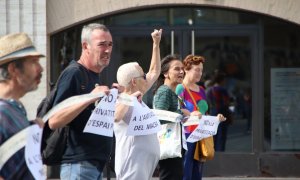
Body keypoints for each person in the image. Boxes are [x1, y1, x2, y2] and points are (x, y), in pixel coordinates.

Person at [47, 23, 115, 180]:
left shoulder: (93, 75)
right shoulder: (74, 74)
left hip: (93, 166)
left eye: (110, 44)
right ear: (86, 46)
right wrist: (90, 97)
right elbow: (54, 120)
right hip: (79, 167)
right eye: (102, 45)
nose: (107, 50)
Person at [114, 29, 162, 180]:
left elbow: (154, 71)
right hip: (132, 166)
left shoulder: (138, 94)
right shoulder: (123, 99)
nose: (146, 77)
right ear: (134, 81)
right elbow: (115, 117)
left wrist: (156, 44)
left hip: (144, 165)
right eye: (143, 76)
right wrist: (131, 98)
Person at [0, 33, 44, 179]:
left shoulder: (14, 108)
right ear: (13, 69)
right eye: (33, 62)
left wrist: (30, 128)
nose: (40, 69)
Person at [175, 55, 226, 180]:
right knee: (186, 171)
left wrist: (216, 119)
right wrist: (190, 114)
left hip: (201, 135)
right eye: (197, 70)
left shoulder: (202, 89)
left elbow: (204, 113)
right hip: (187, 136)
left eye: (201, 70)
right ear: (186, 70)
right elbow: (177, 110)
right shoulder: (180, 88)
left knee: (198, 172)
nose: (200, 73)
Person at [152, 54, 185, 180]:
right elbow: (159, 117)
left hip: (174, 144)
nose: (181, 71)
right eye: (177, 69)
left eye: (182, 69)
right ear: (165, 73)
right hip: (168, 143)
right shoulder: (164, 91)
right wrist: (182, 113)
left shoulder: (173, 92)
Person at [206, 70, 231, 151]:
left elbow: (206, 102)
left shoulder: (210, 90)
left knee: (214, 135)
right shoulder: (223, 90)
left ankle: (213, 152)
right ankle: (221, 153)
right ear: (222, 80)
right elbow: (227, 103)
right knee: (222, 135)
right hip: (222, 113)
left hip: (213, 113)